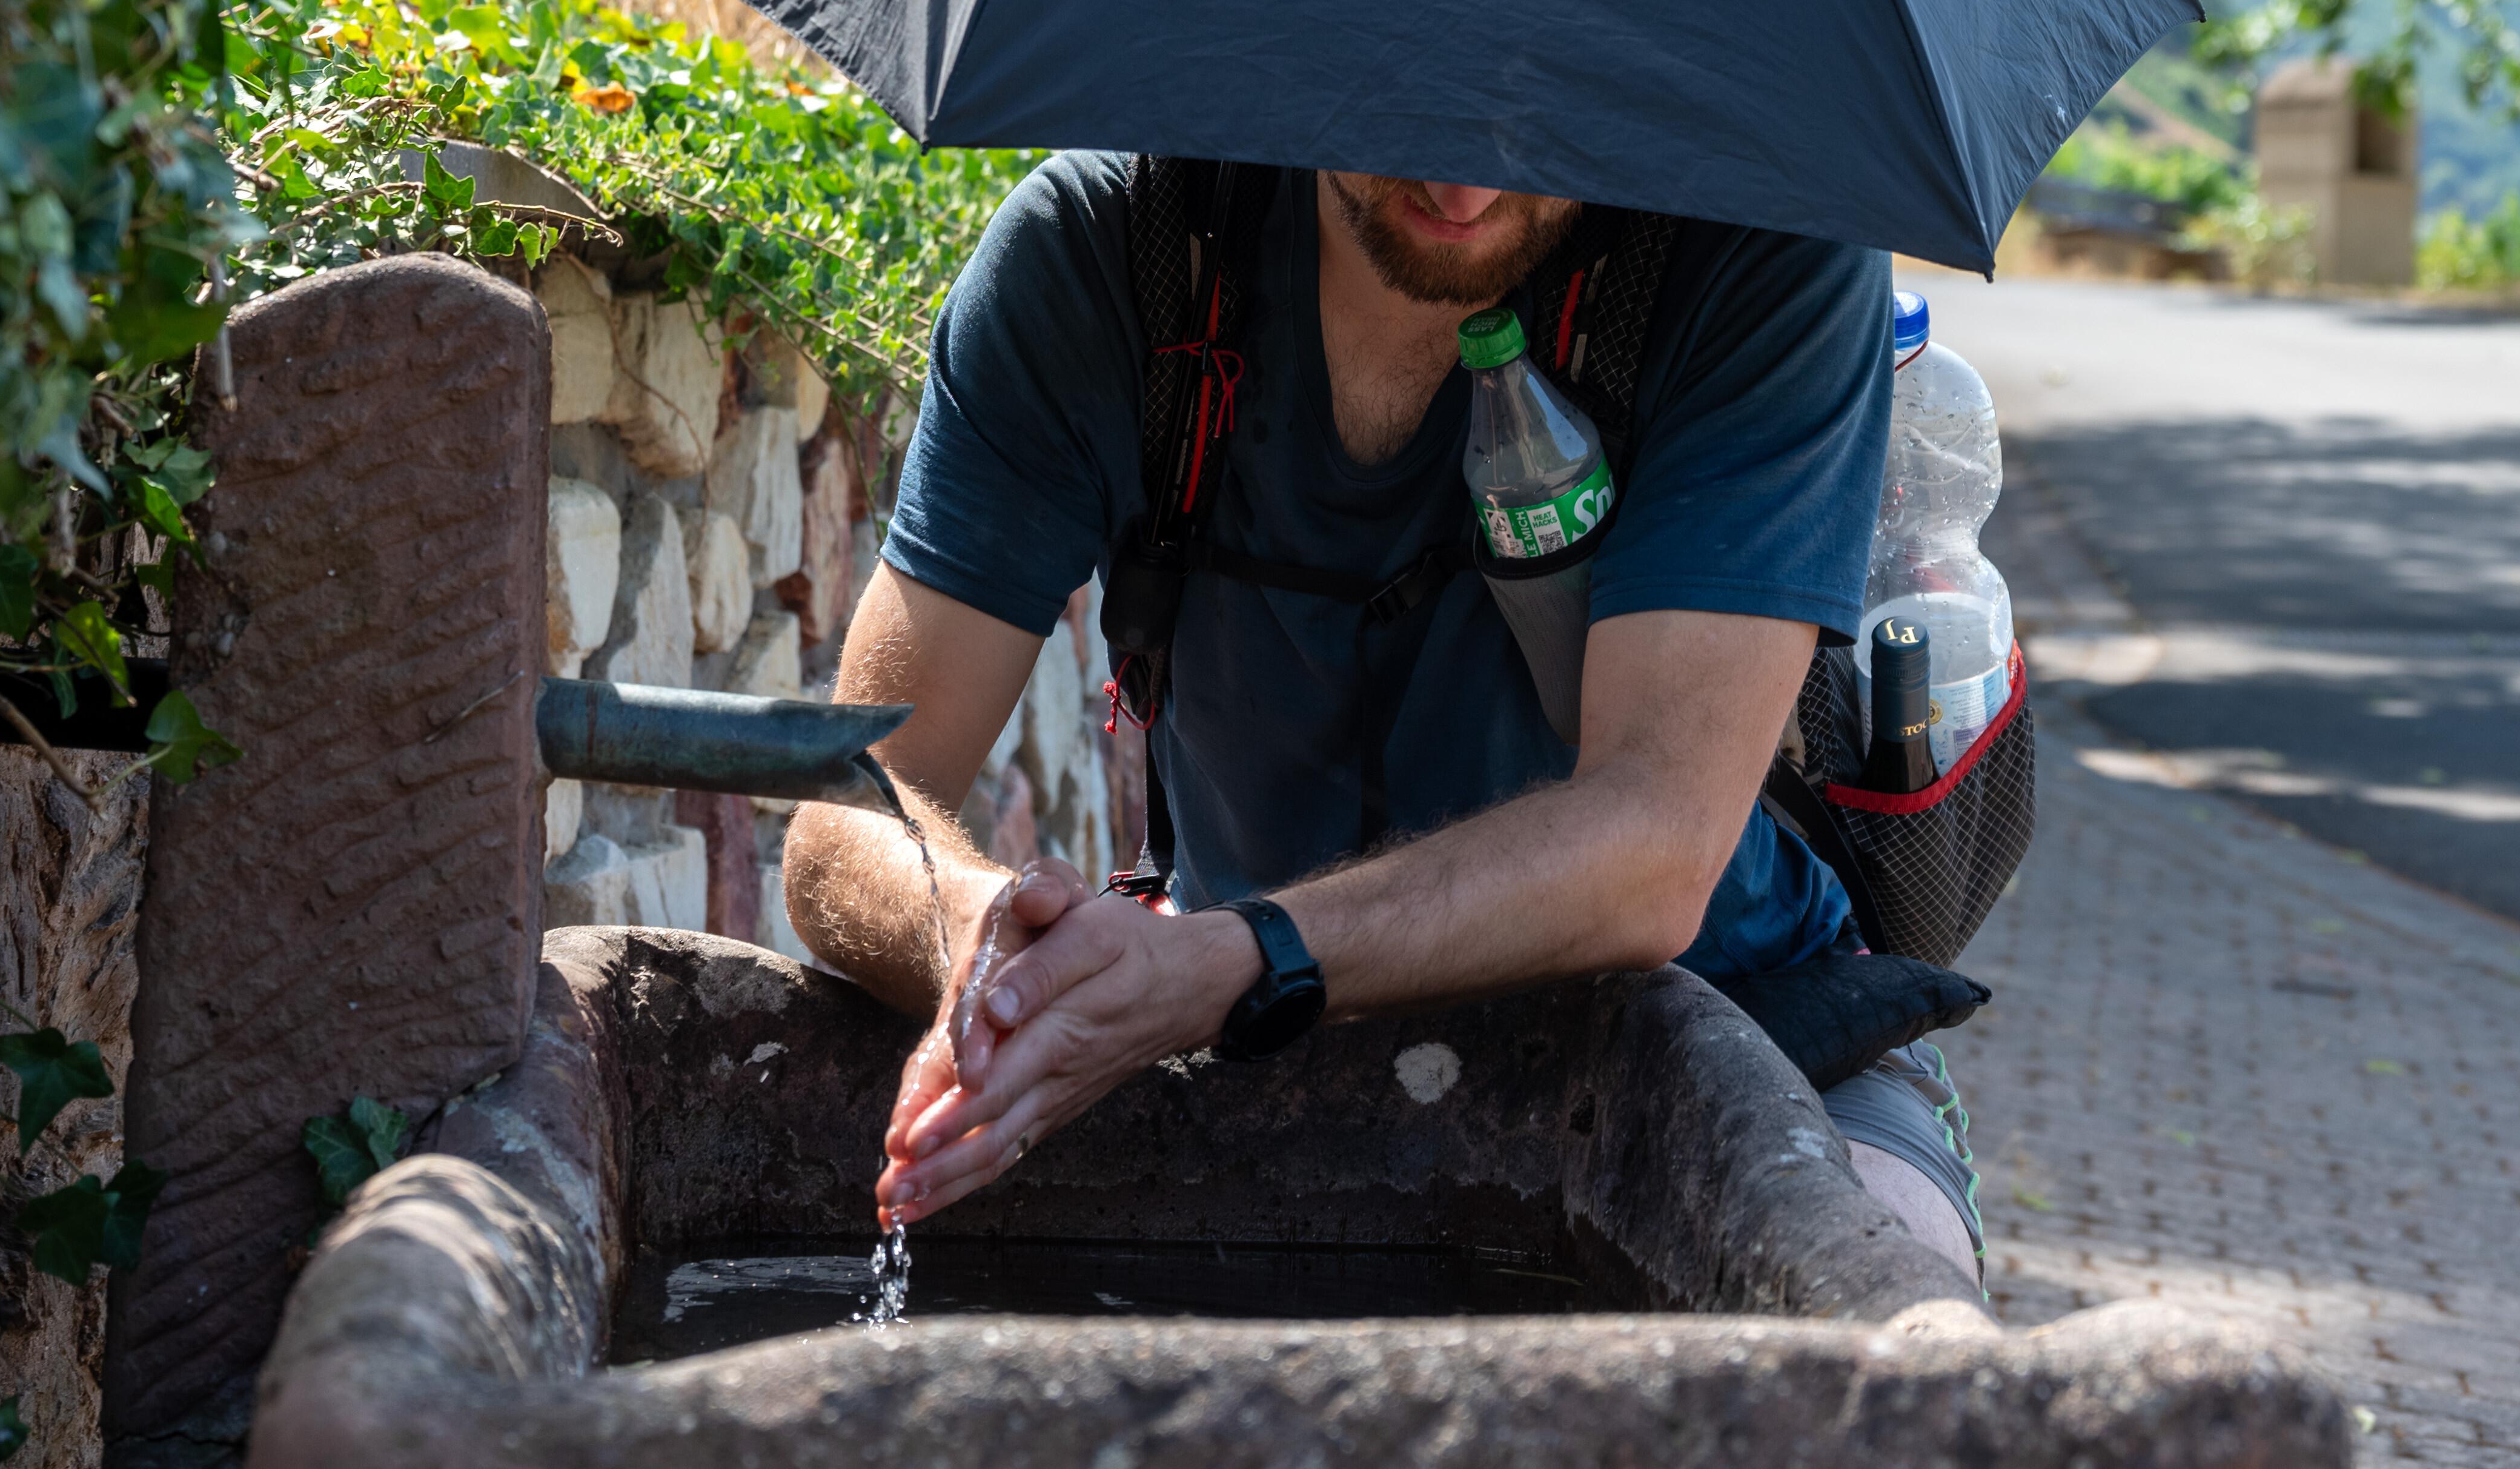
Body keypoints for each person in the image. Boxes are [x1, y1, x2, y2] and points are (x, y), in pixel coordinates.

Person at [780, 158, 1982, 1278]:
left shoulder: (1764, 257)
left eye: (1538, 113)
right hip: (1254, 1046)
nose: (1462, 181)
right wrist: (991, 956)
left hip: (1744, 1027)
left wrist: (1233, 957)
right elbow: (848, 810)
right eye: (1407, 103)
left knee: (1892, 1348)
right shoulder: (1111, 253)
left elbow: (1654, 846)